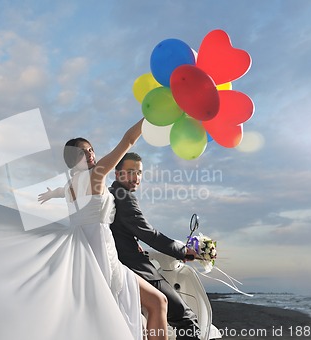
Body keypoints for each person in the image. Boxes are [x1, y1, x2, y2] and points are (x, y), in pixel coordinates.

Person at [39, 120, 169, 340]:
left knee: (121, 312)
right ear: (74, 160)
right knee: (157, 302)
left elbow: (63, 192)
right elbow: (127, 141)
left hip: (82, 251)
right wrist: (149, 117)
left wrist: (53, 193)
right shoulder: (96, 174)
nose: (90, 154)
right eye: (82, 152)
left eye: (90, 149)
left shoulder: (71, 185)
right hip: (101, 251)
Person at [108, 152, 201, 340]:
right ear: (118, 175)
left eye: (140, 172)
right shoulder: (124, 196)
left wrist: (134, 242)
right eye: (130, 171)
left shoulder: (113, 193)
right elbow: (149, 234)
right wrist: (183, 251)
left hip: (121, 262)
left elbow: (120, 230)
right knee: (186, 320)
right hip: (135, 267)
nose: (136, 177)